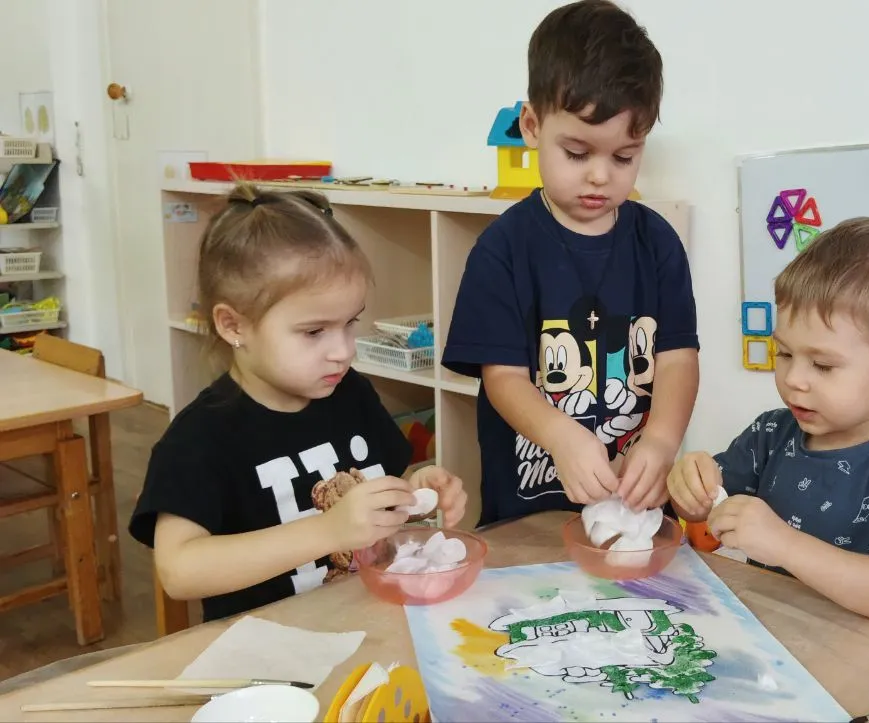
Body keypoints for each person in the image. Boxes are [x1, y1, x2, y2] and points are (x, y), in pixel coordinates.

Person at [130, 183, 467, 622]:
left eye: (350, 323)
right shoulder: (201, 437)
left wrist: (414, 490)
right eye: (314, 332)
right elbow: (179, 571)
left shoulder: (351, 394)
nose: (343, 351)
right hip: (269, 648)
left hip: (368, 623)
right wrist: (326, 531)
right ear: (234, 326)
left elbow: (383, 484)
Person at [442, 0, 699, 526]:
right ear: (532, 125)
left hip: (633, 510)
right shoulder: (501, 250)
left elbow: (678, 358)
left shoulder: (658, 243)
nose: (601, 176)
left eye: (624, 156)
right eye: (578, 153)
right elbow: (504, 377)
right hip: (529, 515)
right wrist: (561, 436)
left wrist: (661, 440)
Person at [667, 217, 869, 624]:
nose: (793, 379)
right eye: (784, 354)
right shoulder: (771, 433)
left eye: (822, 365)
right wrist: (690, 488)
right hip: (771, 637)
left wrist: (784, 544)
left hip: (859, 651)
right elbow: (703, 511)